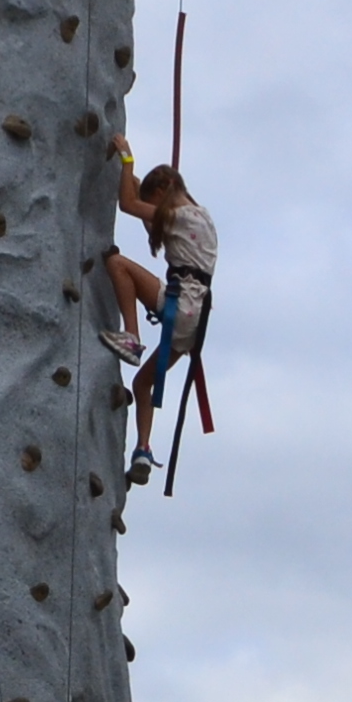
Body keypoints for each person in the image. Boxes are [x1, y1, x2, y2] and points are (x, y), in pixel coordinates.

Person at [107, 158, 217, 481]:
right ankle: (143, 450)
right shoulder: (202, 218)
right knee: (143, 384)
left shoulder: (177, 214)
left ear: (166, 188)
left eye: (153, 198)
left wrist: (126, 157)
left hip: (180, 304)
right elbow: (146, 213)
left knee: (117, 264)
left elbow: (128, 205)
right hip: (195, 321)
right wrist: (131, 176)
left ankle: (132, 337)